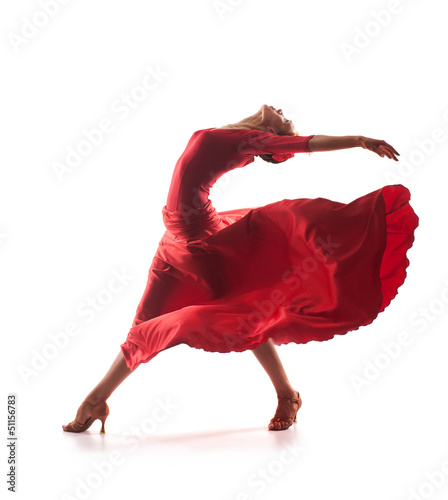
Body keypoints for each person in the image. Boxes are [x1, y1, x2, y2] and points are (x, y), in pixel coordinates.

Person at [62, 104, 418, 434]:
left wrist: (358, 141)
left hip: (200, 244)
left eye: (285, 121)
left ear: (272, 135)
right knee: (153, 323)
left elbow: (306, 143)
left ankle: (286, 395)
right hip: (175, 241)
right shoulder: (234, 133)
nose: (282, 111)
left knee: (241, 317)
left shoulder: (252, 140)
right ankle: (97, 401)